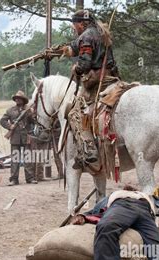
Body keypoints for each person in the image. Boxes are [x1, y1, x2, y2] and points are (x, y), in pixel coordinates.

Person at [58, 9, 119, 168]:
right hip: (112, 77)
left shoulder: (86, 37)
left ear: (80, 24)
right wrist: (65, 49)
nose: (73, 28)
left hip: (98, 81)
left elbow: (85, 64)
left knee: (74, 112)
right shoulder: (101, 33)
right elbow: (75, 46)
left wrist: (75, 69)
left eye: (74, 25)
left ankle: (89, 149)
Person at [0, 91, 36, 185]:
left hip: (26, 136)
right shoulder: (10, 110)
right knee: (15, 159)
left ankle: (30, 178)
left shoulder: (28, 110)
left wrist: (32, 114)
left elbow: (34, 122)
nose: (17, 99)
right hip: (15, 137)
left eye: (19, 98)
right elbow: (2, 121)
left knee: (28, 159)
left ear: (23, 100)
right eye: (16, 98)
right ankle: (14, 179)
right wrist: (9, 126)